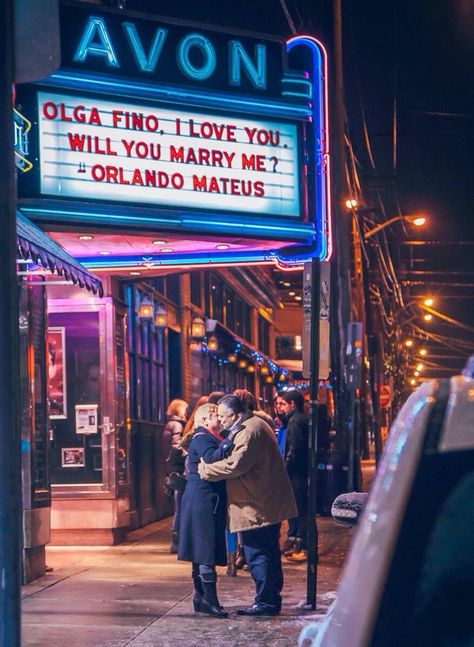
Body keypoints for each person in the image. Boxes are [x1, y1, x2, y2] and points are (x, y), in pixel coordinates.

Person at [199, 394, 297, 616]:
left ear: (233, 415)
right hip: (261, 502)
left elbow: (236, 465)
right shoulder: (254, 425)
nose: (221, 422)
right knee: (267, 553)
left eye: (223, 417)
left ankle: (266, 602)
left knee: (258, 554)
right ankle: (268, 600)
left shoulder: (249, 431)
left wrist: (205, 470)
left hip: (256, 505)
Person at [178, 403, 233, 618]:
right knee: (205, 549)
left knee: (200, 549)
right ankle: (209, 600)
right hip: (203, 501)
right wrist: (228, 445)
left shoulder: (208, 436)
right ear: (204, 421)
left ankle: (200, 597)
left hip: (204, 499)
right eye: (215, 415)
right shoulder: (202, 437)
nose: (219, 418)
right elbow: (210, 458)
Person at [279, 390, 309, 562]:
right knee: (299, 509)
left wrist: (287, 468)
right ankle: (299, 544)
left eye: (284, 404)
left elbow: (295, 449)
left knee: (299, 509)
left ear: (292, 404)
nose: (282, 408)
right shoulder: (299, 419)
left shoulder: (295, 421)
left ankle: (302, 546)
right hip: (301, 471)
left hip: (296, 473)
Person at [163, 398, 188, 553]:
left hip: (171, 469)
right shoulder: (177, 425)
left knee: (177, 507)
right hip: (178, 470)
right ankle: (177, 543)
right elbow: (177, 447)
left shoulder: (169, 425)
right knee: (179, 507)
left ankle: (176, 541)